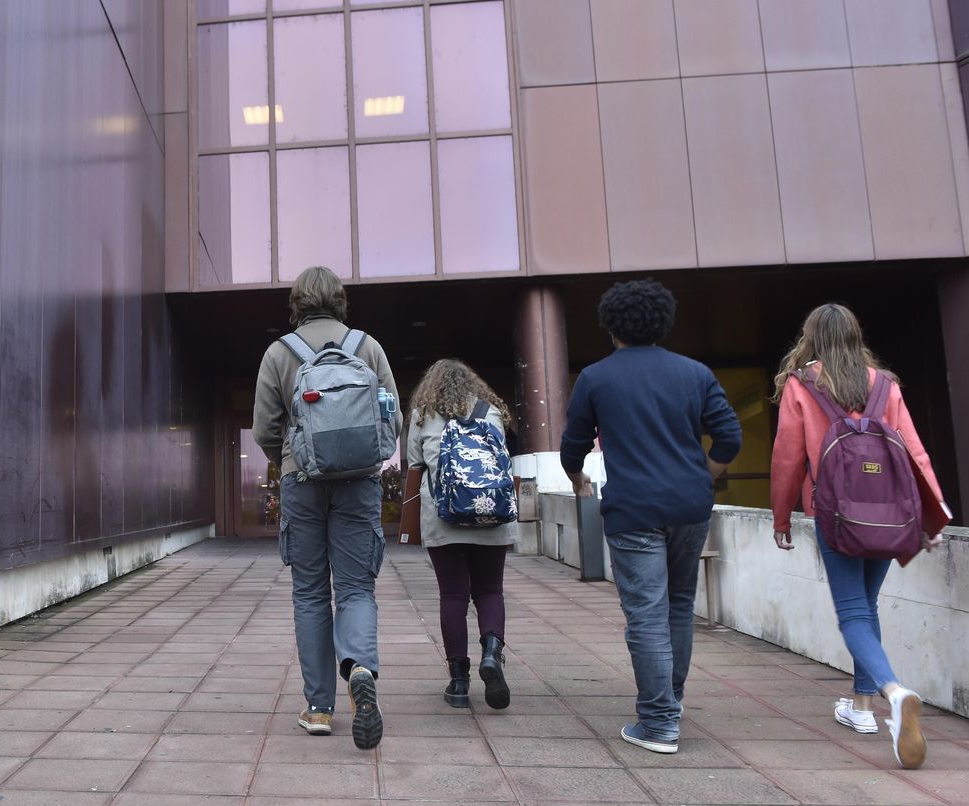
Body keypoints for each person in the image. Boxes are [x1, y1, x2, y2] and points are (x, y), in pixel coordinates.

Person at [560, 279, 740, 755]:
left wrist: (579, 479)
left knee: (645, 615)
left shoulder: (596, 378)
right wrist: (704, 475)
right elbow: (730, 438)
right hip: (690, 506)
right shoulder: (695, 373)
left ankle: (659, 722)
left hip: (633, 508)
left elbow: (571, 447)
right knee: (679, 607)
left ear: (610, 325)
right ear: (663, 321)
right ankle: (670, 704)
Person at [769, 303, 951, 770]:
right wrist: (931, 517)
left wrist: (782, 517)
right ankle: (862, 708)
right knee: (867, 608)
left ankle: (893, 692)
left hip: (836, 515)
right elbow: (914, 451)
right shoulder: (884, 384)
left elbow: (788, 458)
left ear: (811, 339)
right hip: (888, 515)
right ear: (855, 336)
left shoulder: (802, 384)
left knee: (851, 612)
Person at [253, 266, 401, 750]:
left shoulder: (279, 353)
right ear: (340, 301)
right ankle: (359, 669)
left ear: (296, 303)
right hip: (359, 482)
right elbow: (393, 418)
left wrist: (293, 459)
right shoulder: (369, 347)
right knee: (356, 588)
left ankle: (318, 708)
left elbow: (264, 429)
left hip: (302, 481)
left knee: (311, 592)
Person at [405, 360, 520, 710]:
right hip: (491, 513)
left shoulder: (423, 414)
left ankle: (458, 681)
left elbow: (414, 465)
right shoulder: (492, 412)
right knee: (490, 590)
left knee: (453, 595)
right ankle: (491, 653)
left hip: (445, 516)